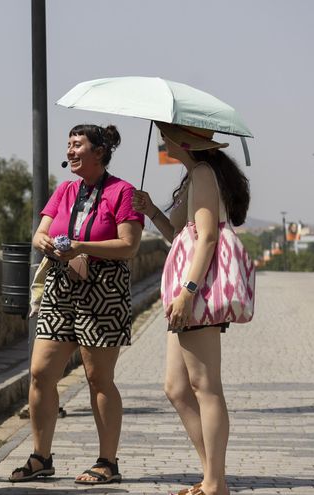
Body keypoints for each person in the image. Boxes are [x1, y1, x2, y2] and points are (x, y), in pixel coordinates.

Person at [9, 124, 144, 485]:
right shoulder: (66, 190)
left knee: (98, 377)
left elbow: (129, 246)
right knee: (40, 372)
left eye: (77, 145)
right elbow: (41, 232)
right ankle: (41, 457)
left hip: (104, 290)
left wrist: (82, 247)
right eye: (68, 144)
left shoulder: (123, 192)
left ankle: (107, 462)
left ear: (98, 151)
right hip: (61, 285)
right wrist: (47, 245)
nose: (70, 151)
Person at [132, 122, 250, 495]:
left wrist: (188, 291)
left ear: (183, 141)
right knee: (178, 388)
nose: (162, 141)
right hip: (187, 291)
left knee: (204, 386)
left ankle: (215, 483)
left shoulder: (202, 173)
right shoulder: (194, 176)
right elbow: (181, 236)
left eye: (165, 135)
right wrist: (151, 209)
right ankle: (212, 475)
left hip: (193, 292)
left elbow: (209, 237)